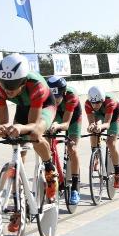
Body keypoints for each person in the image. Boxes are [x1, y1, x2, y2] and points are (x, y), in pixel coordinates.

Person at [0, 54, 58, 231]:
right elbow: (4, 122)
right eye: (5, 85)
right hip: (23, 107)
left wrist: (20, 128)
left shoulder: (35, 85)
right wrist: (0, 129)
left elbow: (32, 125)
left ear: (23, 81)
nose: (8, 90)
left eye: (13, 86)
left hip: (44, 105)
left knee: (35, 134)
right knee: (17, 147)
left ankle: (50, 171)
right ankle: (19, 205)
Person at [46, 76, 82, 205]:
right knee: (46, 140)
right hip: (57, 115)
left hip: (72, 118)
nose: (54, 101)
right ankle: (53, 177)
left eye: (57, 98)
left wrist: (57, 125)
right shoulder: (45, 95)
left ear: (64, 93)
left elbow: (66, 124)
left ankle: (75, 187)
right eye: (52, 98)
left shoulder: (71, 96)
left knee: (72, 148)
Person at [84, 86, 119, 188]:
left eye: (97, 103)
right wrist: (91, 126)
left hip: (113, 118)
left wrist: (100, 126)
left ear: (102, 100)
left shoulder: (110, 102)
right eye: (93, 103)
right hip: (100, 115)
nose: (95, 105)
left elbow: (107, 124)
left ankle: (118, 173)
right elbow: (91, 122)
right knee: (93, 132)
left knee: (111, 143)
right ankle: (95, 156)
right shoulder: (88, 104)